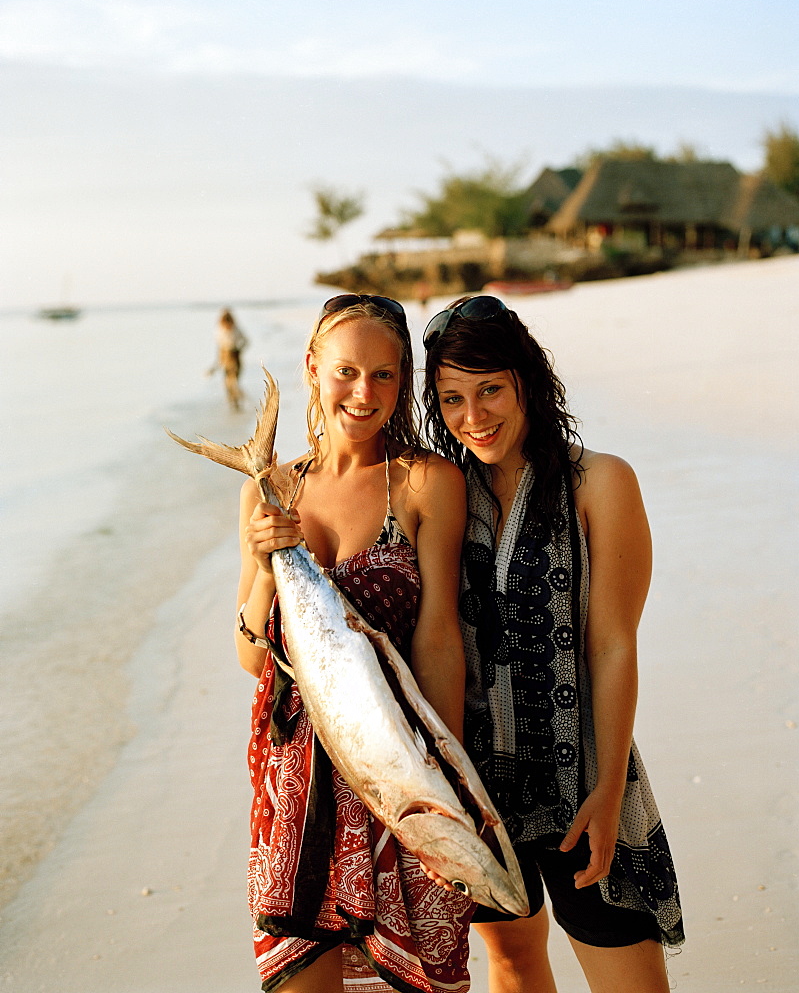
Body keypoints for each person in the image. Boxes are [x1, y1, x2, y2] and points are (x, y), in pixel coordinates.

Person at [421, 296, 684, 993]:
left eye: (490, 391)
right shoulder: (445, 494)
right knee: (512, 962)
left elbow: (614, 646)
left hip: (585, 785)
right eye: (451, 399)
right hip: (482, 789)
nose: (472, 417)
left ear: (526, 382)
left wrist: (604, 789)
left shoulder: (600, 482)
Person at [235, 294, 473, 992]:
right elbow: (252, 655)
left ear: (404, 381)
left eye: (384, 376)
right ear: (312, 369)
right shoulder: (270, 489)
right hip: (295, 782)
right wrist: (262, 562)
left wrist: (446, 795)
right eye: (346, 372)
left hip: (396, 772)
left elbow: (438, 641)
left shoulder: (427, 483)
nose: (363, 393)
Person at [216, 307, 248, 410]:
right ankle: (233, 401)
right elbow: (219, 345)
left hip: (233, 357)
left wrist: (238, 350)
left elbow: (245, 341)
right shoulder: (220, 330)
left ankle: (235, 401)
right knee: (229, 381)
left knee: (233, 381)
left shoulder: (235, 330)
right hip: (226, 358)